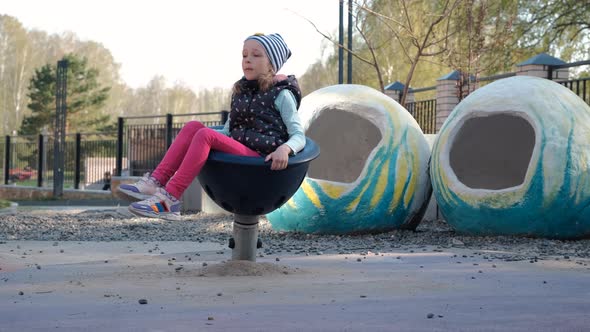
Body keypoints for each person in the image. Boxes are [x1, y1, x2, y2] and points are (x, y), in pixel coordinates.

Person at [118, 33, 305, 220]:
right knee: (194, 127)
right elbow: (226, 132)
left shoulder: (281, 95)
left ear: (272, 64)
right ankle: (157, 181)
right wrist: (207, 138)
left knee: (205, 134)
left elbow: (298, 135)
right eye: (244, 55)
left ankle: (170, 199)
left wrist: (285, 148)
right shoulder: (241, 93)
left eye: (256, 55)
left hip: (260, 160)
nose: (248, 59)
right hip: (240, 153)